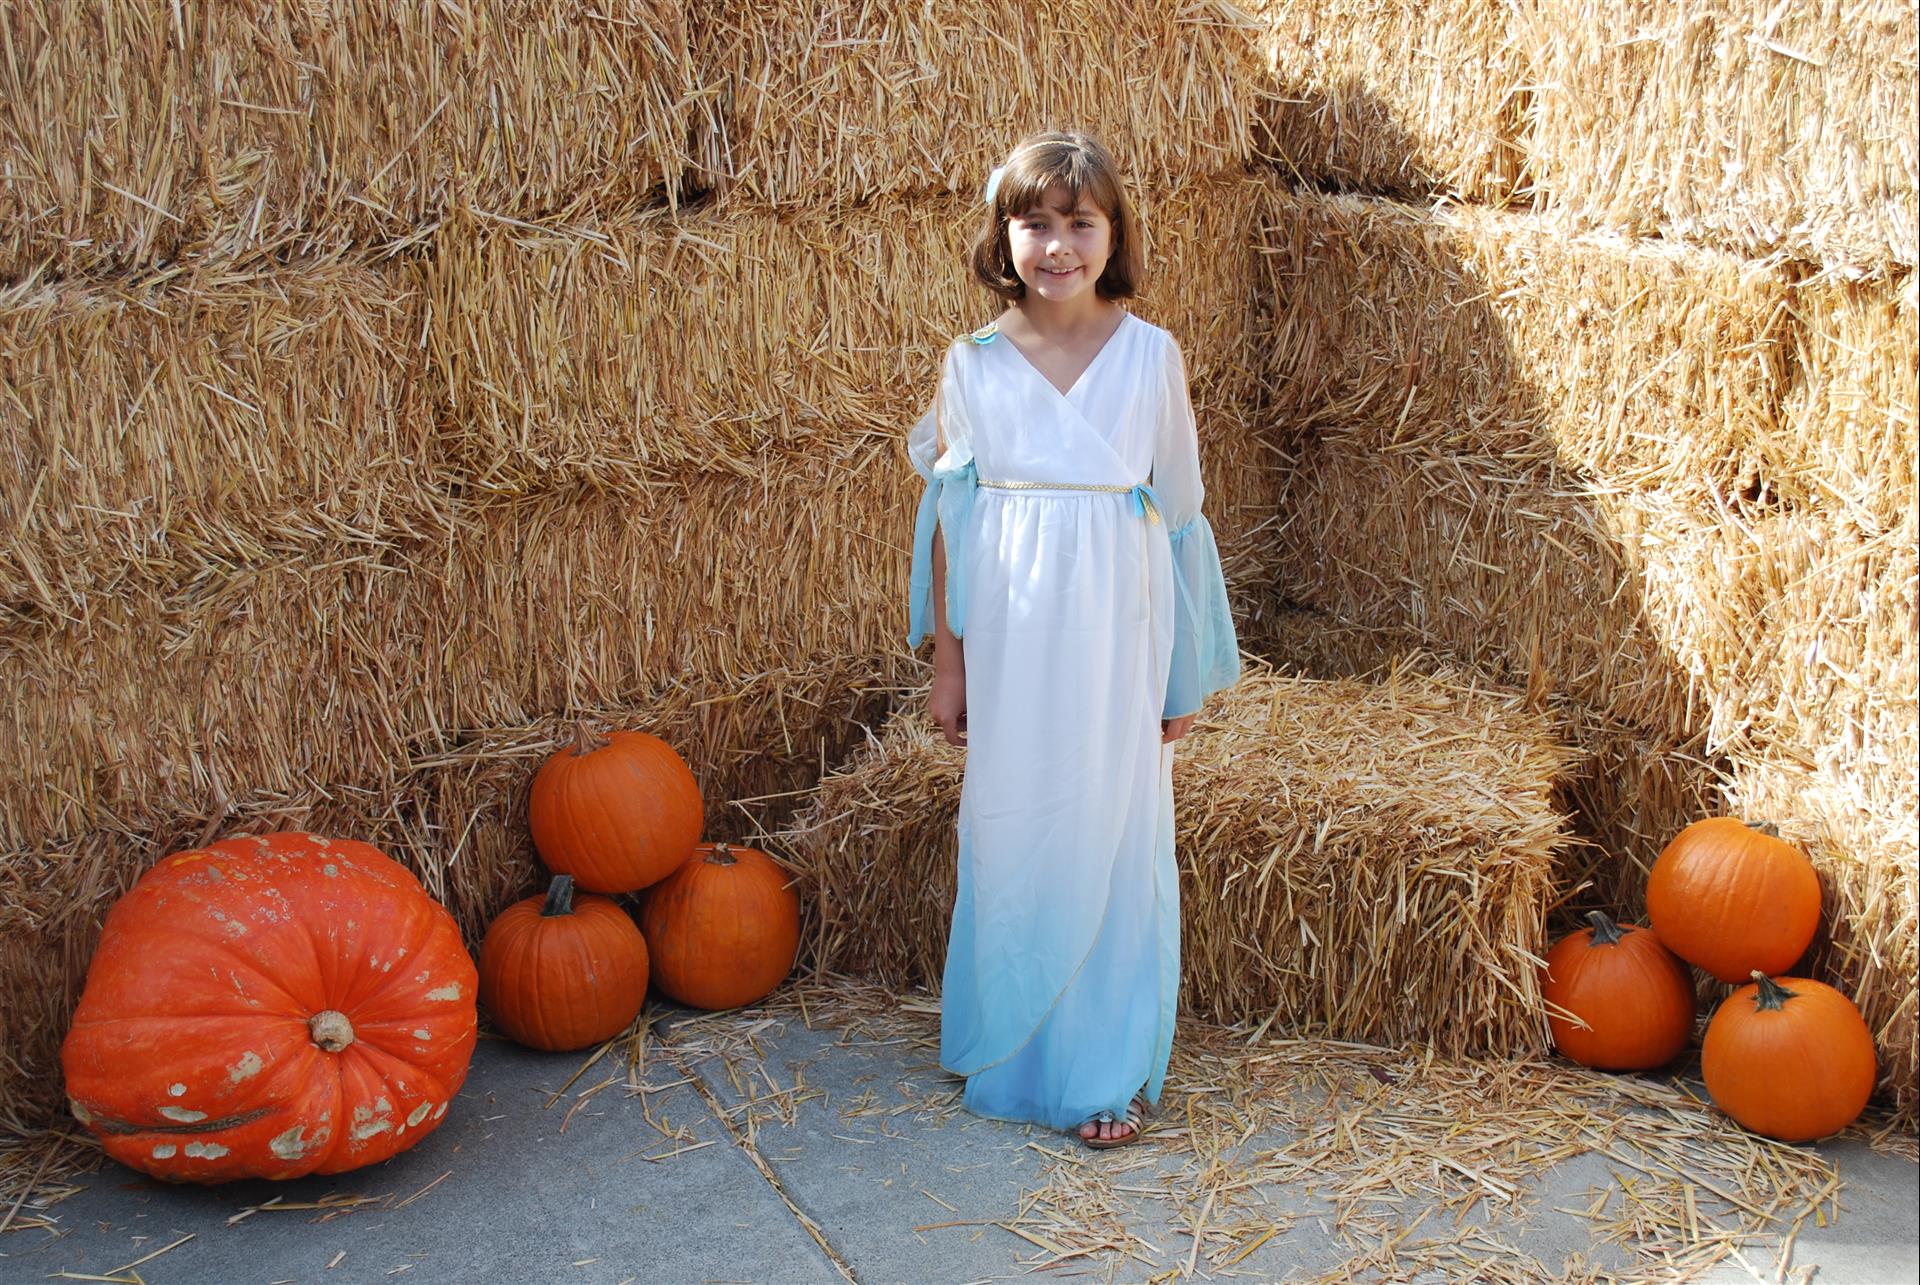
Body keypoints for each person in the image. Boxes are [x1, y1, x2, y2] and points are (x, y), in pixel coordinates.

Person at [905, 131, 1240, 1148]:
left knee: (1109, 828)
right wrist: (951, 662)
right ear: (1003, 238)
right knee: (1012, 827)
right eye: (1035, 222)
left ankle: (1098, 1068)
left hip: (1113, 645)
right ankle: (1014, 1048)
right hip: (1011, 643)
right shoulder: (974, 364)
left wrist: (1181, 667)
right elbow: (950, 524)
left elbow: (1178, 522)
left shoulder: (1150, 357)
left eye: (1079, 222)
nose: (1057, 245)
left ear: (1112, 234)